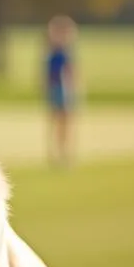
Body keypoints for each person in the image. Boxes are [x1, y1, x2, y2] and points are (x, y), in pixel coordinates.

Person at [45, 14, 78, 165]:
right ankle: (56, 154)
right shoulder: (53, 54)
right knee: (57, 122)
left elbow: (72, 73)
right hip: (57, 90)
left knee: (65, 123)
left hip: (65, 91)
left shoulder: (65, 53)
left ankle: (64, 153)